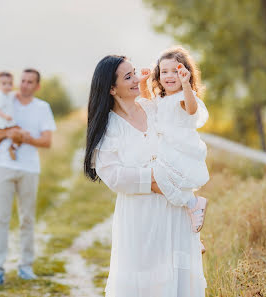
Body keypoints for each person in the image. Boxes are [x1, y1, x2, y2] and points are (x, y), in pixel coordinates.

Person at [84, 55, 206, 297]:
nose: (136, 79)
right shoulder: (109, 127)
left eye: (136, 72)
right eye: (128, 76)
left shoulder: (153, 108)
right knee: (145, 278)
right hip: (141, 214)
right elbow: (114, 176)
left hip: (175, 211)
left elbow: (184, 128)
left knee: (179, 275)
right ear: (111, 88)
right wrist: (154, 178)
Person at [0, 68, 56, 285]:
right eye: (22, 80)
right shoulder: (5, 100)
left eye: (29, 82)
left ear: (37, 86)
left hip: (30, 169)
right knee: (1, 219)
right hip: (3, 166)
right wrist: (9, 134)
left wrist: (24, 138)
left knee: (27, 219)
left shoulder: (43, 107)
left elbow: (47, 141)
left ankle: (25, 267)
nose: (24, 85)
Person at [139, 46, 210, 234]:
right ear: (158, 75)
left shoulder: (183, 96)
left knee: (162, 181)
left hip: (179, 149)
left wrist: (186, 85)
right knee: (160, 185)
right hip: (163, 147)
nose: (169, 76)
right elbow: (147, 104)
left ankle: (193, 203)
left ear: (185, 73)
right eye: (164, 72)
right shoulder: (161, 98)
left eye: (175, 71)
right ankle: (193, 209)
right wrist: (143, 83)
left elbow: (192, 109)